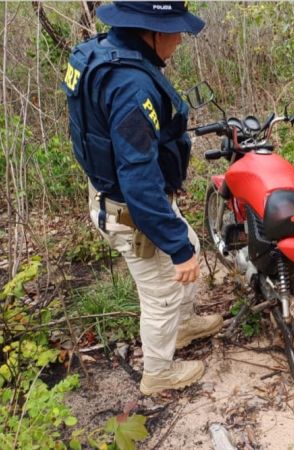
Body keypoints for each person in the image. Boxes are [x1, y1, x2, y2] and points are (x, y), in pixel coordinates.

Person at [62, 1, 222, 395]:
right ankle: (158, 373)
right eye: (175, 30)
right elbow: (139, 180)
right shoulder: (131, 87)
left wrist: (181, 243)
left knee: (191, 245)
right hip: (130, 207)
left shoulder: (101, 52)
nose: (181, 40)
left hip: (114, 193)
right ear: (151, 31)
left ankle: (181, 328)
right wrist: (174, 246)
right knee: (164, 289)